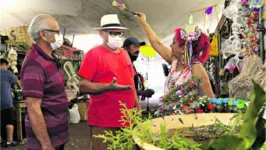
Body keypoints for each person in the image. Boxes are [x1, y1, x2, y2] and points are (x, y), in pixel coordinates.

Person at [78, 14, 141, 150]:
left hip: (126, 118)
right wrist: (108, 87)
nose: (117, 37)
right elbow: (83, 86)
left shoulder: (124, 53)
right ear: (101, 34)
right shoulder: (93, 54)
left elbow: (131, 83)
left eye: (119, 33)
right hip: (103, 120)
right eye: (112, 33)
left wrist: (137, 107)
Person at [135, 12, 215, 98]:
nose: (170, 45)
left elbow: (210, 98)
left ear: (183, 48)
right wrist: (144, 22)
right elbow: (157, 44)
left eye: (173, 43)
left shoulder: (196, 68)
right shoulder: (175, 61)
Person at [20, 14, 68, 150]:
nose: (60, 36)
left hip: (57, 136)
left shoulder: (49, 58)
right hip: (47, 142)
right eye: (56, 32)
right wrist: (46, 144)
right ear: (43, 34)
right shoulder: (34, 63)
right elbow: (33, 108)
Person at [0, 58, 21, 148]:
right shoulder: (6, 72)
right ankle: (9, 141)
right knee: (9, 121)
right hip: (5, 101)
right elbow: (17, 81)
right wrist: (21, 88)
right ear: (4, 64)